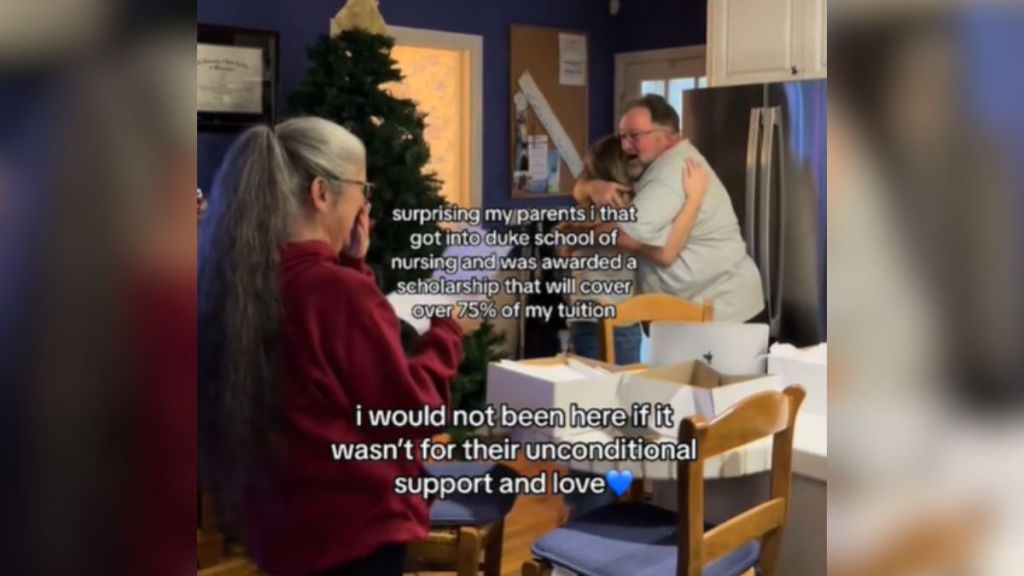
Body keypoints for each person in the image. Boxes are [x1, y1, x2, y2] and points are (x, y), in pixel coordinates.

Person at [198, 117, 473, 576]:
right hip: (352, 533)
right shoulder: (336, 293)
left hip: (285, 527)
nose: (366, 202)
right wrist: (449, 331)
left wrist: (353, 263)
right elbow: (409, 414)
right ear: (322, 193)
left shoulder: (242, 280)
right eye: (363, 187)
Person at [575, 95, 765, 323]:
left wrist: (573, 234)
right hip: (700, 310)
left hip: (721, 310)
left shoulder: (670, 174)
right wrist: (589, 186)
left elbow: (650, 247)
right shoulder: (656, 165)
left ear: (667, 135)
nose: (625, 146)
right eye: (622, 136)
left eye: (634, 135)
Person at [560, 135, 712, 364]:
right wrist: (694, 199)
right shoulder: (623, 220)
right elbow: (666, 253)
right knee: (617, 395)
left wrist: (589, 187)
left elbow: (566, 245)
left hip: (585, 323)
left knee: (592, 393)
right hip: (614, 325)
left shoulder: (584, 215)